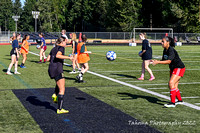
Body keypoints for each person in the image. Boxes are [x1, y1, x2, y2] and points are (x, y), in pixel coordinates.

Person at [152, 36, 185, 108]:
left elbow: (169, 61)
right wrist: (154, 61)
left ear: (168, 42)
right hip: (173, 68)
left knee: (171, 83)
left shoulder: (171, 50)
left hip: (179, 67)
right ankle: (180, 101)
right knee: (174, 86)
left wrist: (158, 62)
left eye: (163, 41)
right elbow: (164, 60)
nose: (161, 43)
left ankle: (172, 103)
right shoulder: (165, 50)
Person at [47, 36, 73, 114]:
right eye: (65, 42)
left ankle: (55, 94)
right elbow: (58, 55)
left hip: (51, 69)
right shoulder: (61, 48)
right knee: (62, 89)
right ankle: (60, 109)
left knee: (59, 82)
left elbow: (48, 59)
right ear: (62, 42)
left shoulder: (53, 48)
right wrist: (69, 57)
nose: (66, 43)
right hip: (57, 69)